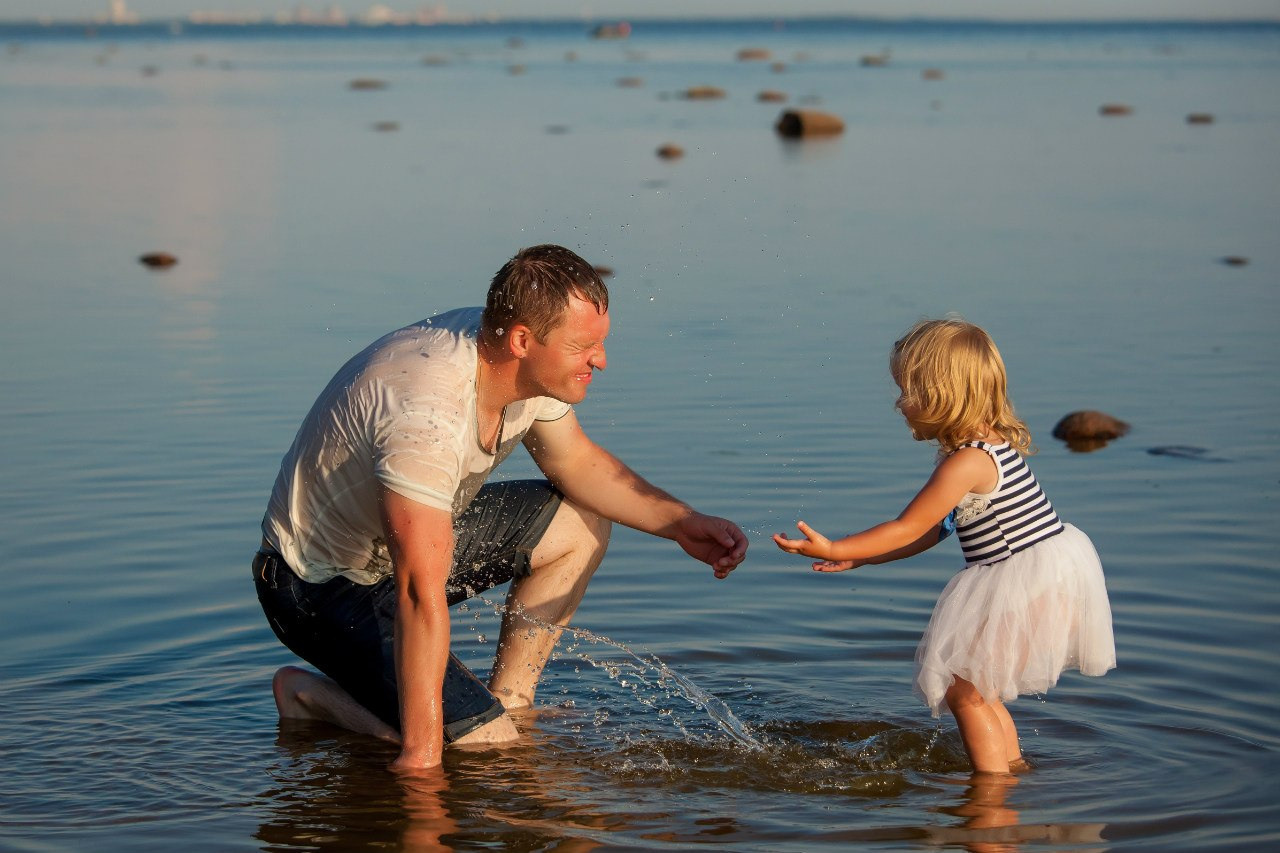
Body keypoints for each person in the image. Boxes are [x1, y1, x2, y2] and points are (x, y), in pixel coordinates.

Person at [253, 244, 747, 773]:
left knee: (579, 521)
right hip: (316, 587)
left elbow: (576, 464)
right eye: (584, 347)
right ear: (521, 341)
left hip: (398, 555)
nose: (601, 360)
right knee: (486, 751)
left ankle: (513, 703)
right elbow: (420, 591)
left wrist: (682, 524)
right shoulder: (426, 414)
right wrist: (422, 760)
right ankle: (311, 699)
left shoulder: (524, 365)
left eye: (600, 344)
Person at [773, 318, 1115, 775]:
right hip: (1041, 572)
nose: (899, 404)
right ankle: (1011, 771)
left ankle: (991, 795)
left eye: (907, 390)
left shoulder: (968, 462)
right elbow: (933, 531)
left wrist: (835, 547)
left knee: (963, 688)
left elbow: (906, 524)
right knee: (973, 688)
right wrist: (864, 555)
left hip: (1023, 576)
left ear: (942, 395)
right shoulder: (985, 447)